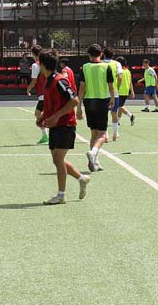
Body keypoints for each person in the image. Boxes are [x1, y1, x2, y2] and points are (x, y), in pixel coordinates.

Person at [36, 51, 91, 205]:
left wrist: (56, 116)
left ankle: (61, 195)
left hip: (66, 125)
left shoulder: (59, 80)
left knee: (58, 159)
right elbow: (53, 104)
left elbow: (74, 100)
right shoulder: (48, 81)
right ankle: (81, 178)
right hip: (56, 125)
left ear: (43, 65)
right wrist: (43, 117)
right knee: (57, 159)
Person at [77, 44, 115, 172]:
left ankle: (95, 161)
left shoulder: (85, 67)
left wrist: (79, 107)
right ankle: (93, 152)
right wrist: (112, 98)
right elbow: (111, 86)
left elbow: (82, 88)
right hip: (102, 100)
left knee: (93, 133)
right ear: (101, 54)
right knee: (102, 134)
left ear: (89, 55)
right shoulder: (106, 67)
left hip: (89, 101)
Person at [26, 46, 49, 144]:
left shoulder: (35, 65)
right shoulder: (46, 63)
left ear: (33, 54)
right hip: (48, 92)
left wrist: (28, 88)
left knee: (38, 114)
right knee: (41, 114)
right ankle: (46, 135)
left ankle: (46, 135)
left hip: (43, 94)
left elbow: (34, 80)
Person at [110, 56, 135, 140]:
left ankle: (130, 115)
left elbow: (118, 80)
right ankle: (118, 121)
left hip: (119, 91)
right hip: (125, 92)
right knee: (119, 107)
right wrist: (132, 91)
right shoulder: (128, 71)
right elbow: (130, 82)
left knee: (119, 107)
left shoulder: (120, 72)